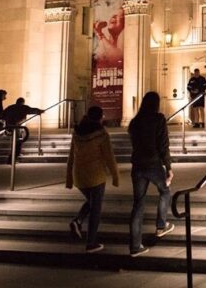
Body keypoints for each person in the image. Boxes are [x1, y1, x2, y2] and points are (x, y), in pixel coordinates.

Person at [65, 106, 119, 253]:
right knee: (96, 208)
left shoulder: (77, 132)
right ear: (99, 117)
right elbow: (109, 157)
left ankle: (78, 221)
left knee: (91, 202)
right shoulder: (102, 134)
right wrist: (115, 176)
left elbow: (71, 156)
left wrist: (69, 178)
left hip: (79, 175)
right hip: (96, 176)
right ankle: (91, 243)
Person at [128, 92, 174, 257]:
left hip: (137, 165)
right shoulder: (158, 119)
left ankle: (135, 246)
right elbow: (163, 144)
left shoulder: (134, 122)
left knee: (138, 204)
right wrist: (168, 167)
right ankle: (161, 225)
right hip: (153, 164)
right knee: (165, 191)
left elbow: (134, 143)